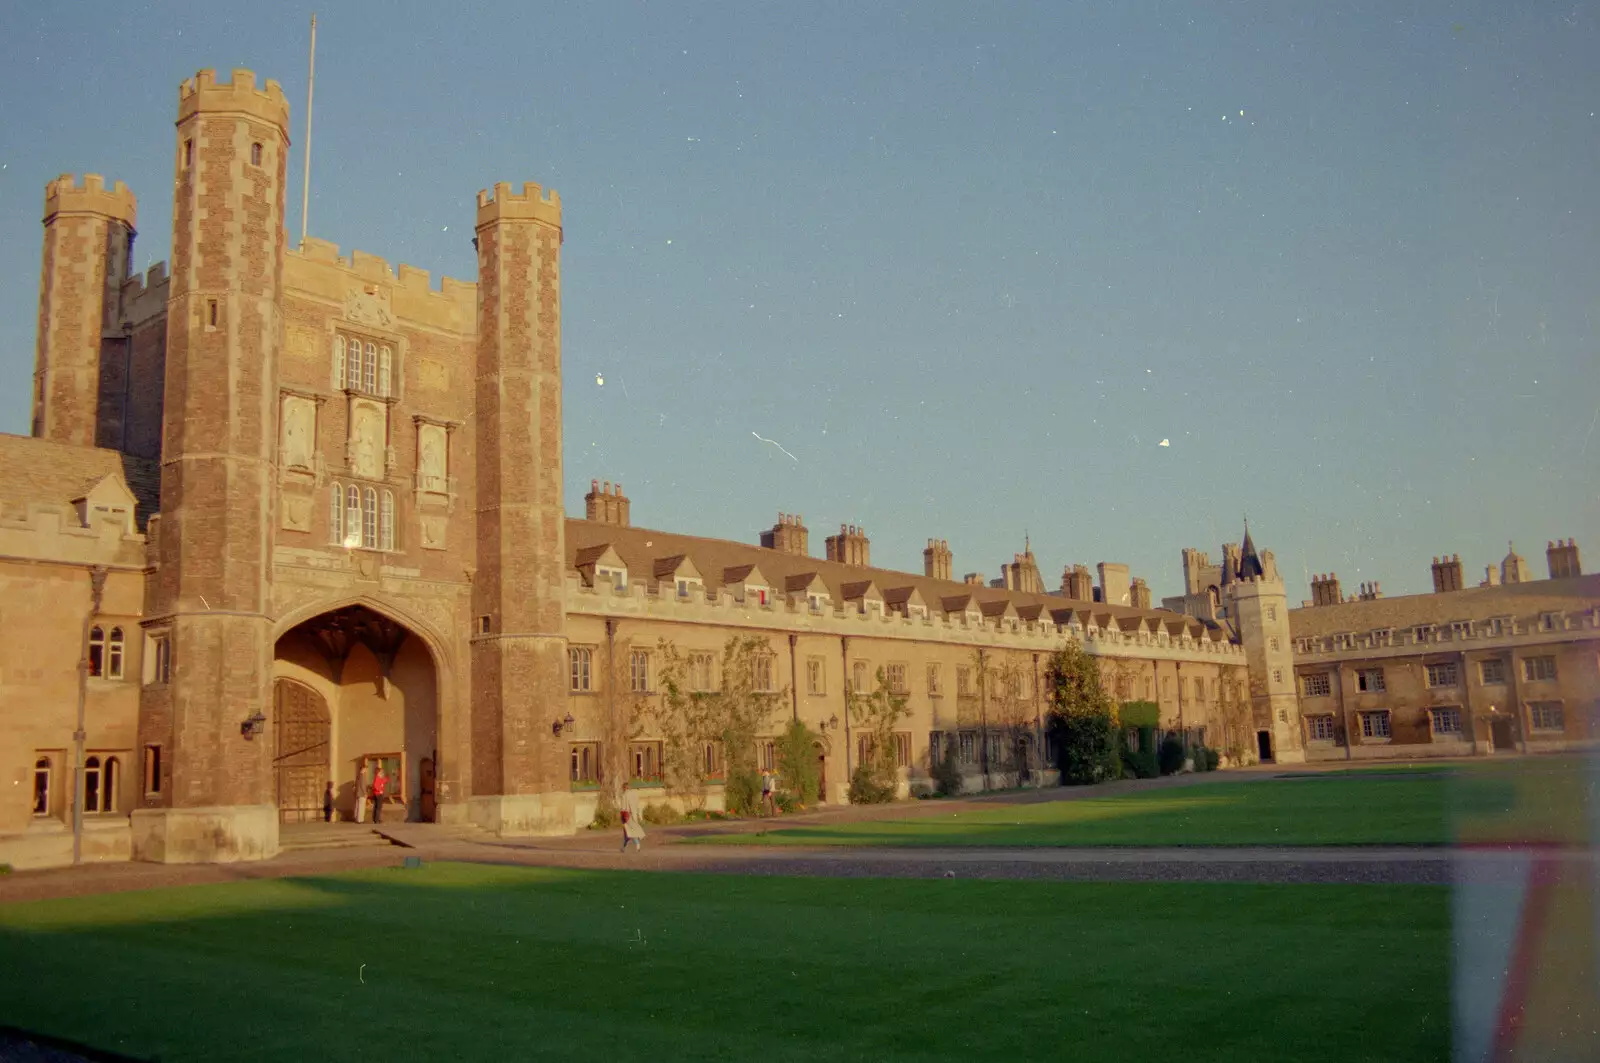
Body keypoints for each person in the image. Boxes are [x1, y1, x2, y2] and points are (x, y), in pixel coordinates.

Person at [619, 781, 646, 852]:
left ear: (624, 788)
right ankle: (623, 848)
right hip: (633, 815)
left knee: (629, 832)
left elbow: (623, 807)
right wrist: (639, 816)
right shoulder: (634, 794)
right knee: (629, 832)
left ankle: (637, 844)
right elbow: (637, 805)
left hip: (626, 815)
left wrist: (622, 815)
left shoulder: (624, 795)